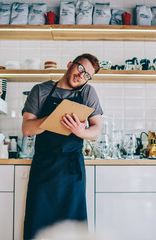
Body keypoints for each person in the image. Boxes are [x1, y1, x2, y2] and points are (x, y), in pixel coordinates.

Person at [21, 53, 103, 240]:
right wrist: (54, 118)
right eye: (81, 68)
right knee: (38, 226)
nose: (82, 76)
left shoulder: (87, 92)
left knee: (73, 229)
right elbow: (26, 129)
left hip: (72, 171)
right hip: (44, 168)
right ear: (70, 65)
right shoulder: (41, 90)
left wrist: (81, 132)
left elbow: (97, 129)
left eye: (87, 75)